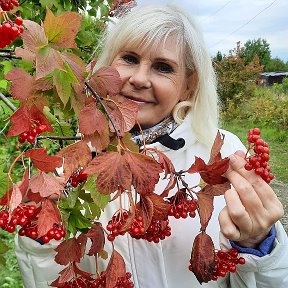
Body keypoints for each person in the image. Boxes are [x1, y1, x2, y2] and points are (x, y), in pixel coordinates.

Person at [15, 4, 288, 288]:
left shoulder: (225, 155)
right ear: (107, 69)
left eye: (163, 67)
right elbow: (49, 279)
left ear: (189, 86)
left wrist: (258, 245)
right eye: (130, 59)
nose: (140, 78)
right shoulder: (75, 167)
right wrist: (38, 234)